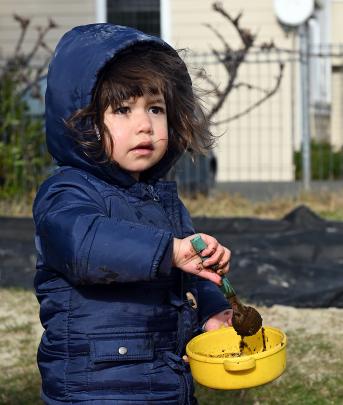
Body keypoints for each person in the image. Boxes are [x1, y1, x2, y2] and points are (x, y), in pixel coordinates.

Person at [33, 23, 232, 405]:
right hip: (95, 387)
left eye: (155, 109)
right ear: (83, 121)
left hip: (164, 379)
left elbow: (188, 277)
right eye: (123, 110)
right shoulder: (66, 192)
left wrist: (212, 309)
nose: (145, 125)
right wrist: (169, 252)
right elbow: (85, 245)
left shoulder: (163, 201)